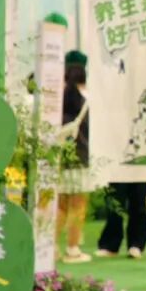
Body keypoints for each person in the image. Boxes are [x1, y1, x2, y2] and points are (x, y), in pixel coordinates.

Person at [57, 61, 91, 264]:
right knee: (78, 206)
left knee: (61, 205)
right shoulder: (86, 101)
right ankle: (72, 249)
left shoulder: (59, 100)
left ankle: (50, 249)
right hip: (80, 159)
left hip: (61, 160)